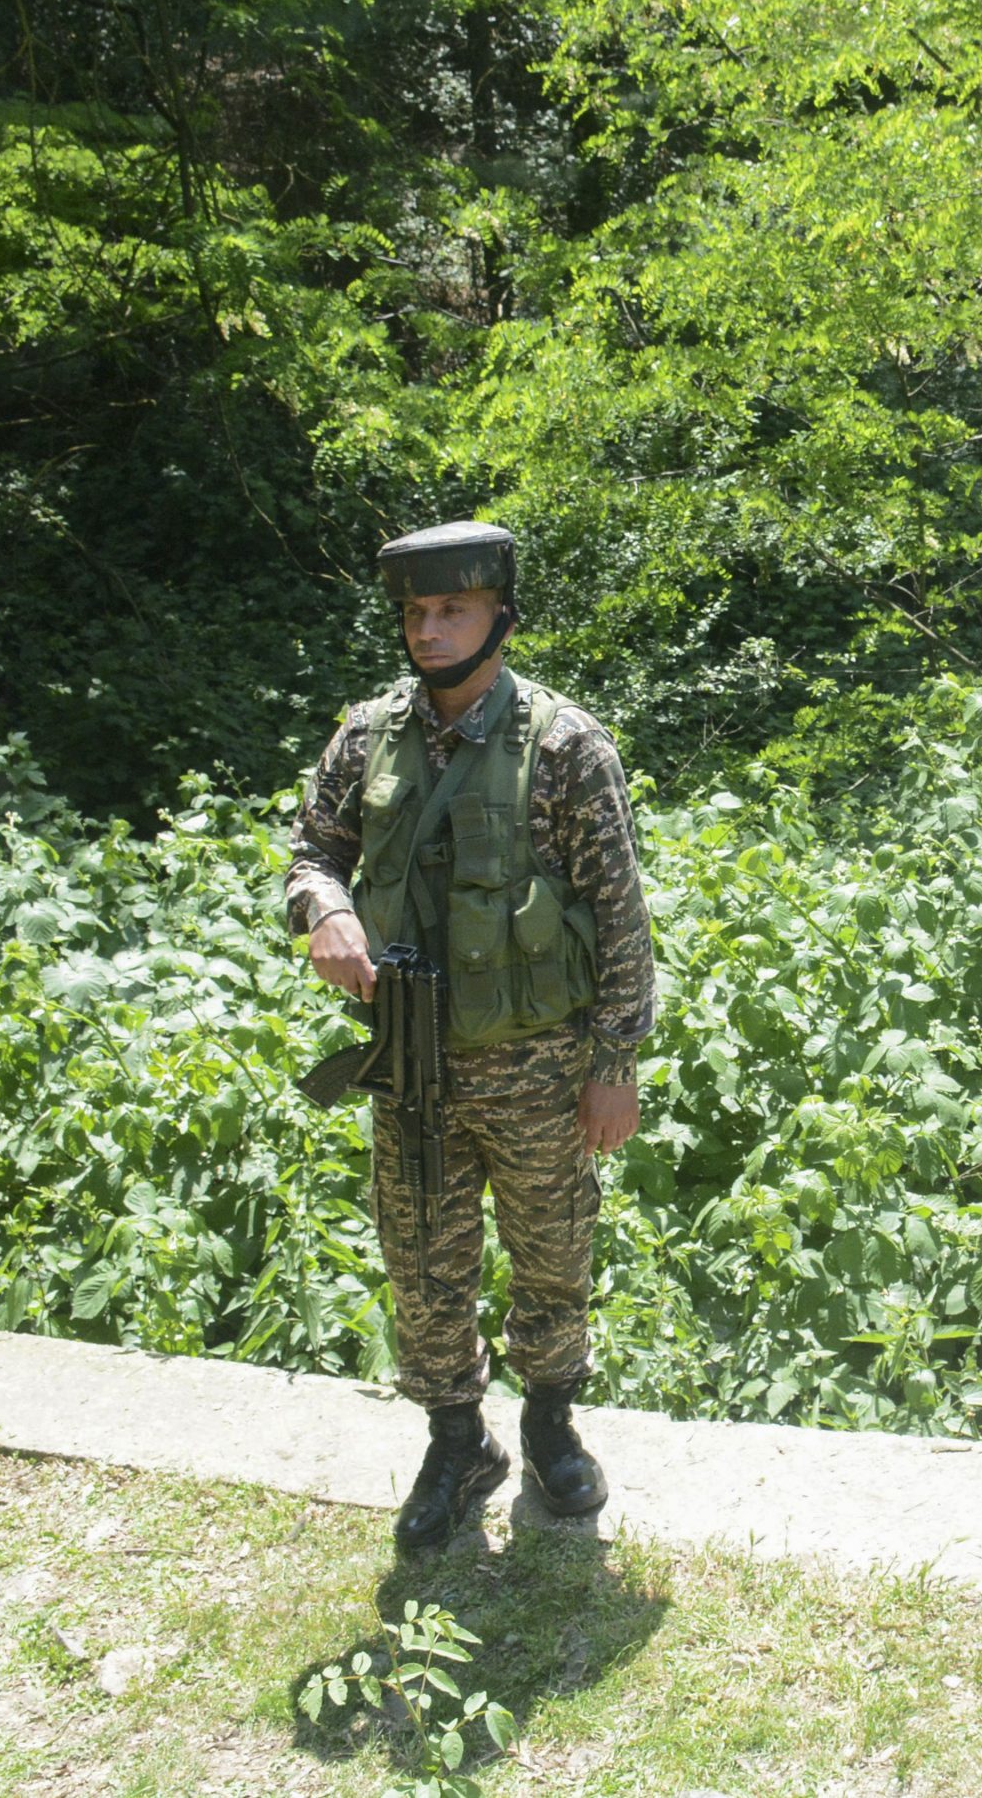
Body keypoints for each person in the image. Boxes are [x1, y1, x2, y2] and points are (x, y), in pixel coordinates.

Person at [285, 521, 654, 1554]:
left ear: (500, 615)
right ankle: (458, 1441)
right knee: (422, 1264)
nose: (430, 629)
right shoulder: (367, 737)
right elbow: (312, 851)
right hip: (412, 1061)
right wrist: (325, 908)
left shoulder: (566, 745)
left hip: (538, 1066)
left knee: (553, 1252)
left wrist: (614, 1064)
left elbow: (619, 916)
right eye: (416, 611)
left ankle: (549, 1424)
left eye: (452, 608)